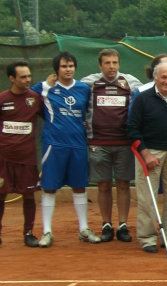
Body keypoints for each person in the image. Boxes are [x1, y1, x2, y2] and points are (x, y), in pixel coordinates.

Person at [31, 52, 97, 247]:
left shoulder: (84, 89)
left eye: (70, 66)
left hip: (77, 144)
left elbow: (89, 114)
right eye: (63, 66)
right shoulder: (44, 88)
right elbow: (28, 99)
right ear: (56, 70)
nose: (68, 69)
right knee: (49, 187)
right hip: (54, 145)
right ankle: (47, 232)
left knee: (79, 186)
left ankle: (84, 229)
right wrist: (46, 85)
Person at [127, 62, 167, 254]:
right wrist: (146, 154)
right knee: (147, 198)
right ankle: (147, 238)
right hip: (150, 154)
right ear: (155, 78)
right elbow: (132, 129)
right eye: (163, 77)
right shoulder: (142, 99)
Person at [81, 48, 143, 243]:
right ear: (100, 65)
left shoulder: (131, 82)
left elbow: (148, 91)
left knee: (124, 184)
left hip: (124, 143)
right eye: (107, 63)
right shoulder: (88, 83)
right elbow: (70, 90)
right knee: (103, 185)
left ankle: (123, 225)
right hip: (98, 143)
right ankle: (106, 224)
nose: (112, 67)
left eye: (115, 63)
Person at [0, 61, 43, 247]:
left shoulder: (35, 98)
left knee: (29, 196)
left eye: (29, 76)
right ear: (12, 78)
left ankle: (28, 233)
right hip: (3, 159)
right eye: (23, 77)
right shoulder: (2, 99)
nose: (28, 80)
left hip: (27, 158)